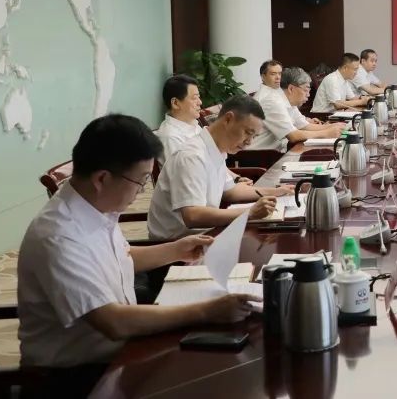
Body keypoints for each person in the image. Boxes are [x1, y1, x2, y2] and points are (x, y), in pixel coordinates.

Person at [18, 115, 260, 396]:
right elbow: (114, 322)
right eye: (141, 180)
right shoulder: (59, 235)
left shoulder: (93, 208)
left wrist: (176, 249)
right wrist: (207, 311)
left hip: (121, 350)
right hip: (77, 376)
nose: (142, 190)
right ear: (102, 179)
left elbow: (120, 257)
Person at [148, 95, 293, 240]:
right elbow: (192, 215)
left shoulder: (217, 149)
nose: (249, 142)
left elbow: (231, 191)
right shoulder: (192, 156)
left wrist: (277, 191)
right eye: (248, 133)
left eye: (254, 137)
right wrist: (249, 212)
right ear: (228, 119)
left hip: (206, 235)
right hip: (178, 244)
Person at [155, 74, 252, 184]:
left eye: (199, 97)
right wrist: (231, 187)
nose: (200, 102)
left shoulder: (195, 126)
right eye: (194, 98)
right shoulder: (170, 137)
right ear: (176, 103)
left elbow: (216, 163)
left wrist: (236, 178)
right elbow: (185, 179)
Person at [247, 66, 344, 151]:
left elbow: (304, 125)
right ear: (291, 88)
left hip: (276, 151)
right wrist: (326, 133)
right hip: (257, 156)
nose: (308, 95)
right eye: (305, 90)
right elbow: (293, 135)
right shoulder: (273, 102)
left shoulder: (288, 101)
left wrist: (334, 126)